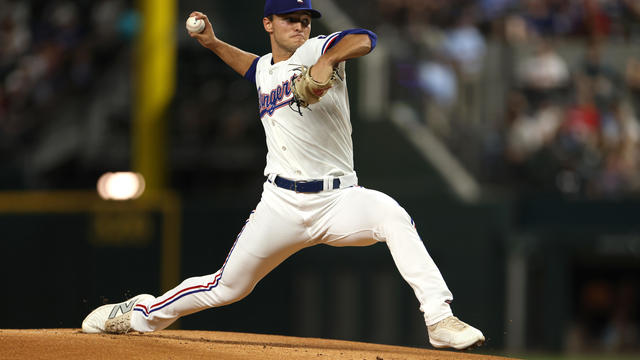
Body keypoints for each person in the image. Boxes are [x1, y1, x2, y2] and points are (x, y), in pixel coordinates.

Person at [81, 0, 485, 350]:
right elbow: (254, 68)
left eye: (305, 19)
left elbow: (365, 38)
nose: (300, 25)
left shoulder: (314, 50)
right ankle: (139, 313)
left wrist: (327, 60)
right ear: (268, 24)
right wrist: (214, 44)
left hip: (339, 199)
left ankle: (439, 320)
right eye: (290, 18)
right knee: (225, 287)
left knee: (393, 217)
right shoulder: (265, 71)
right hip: (280, 205)